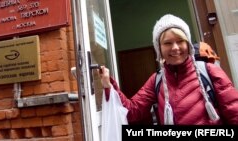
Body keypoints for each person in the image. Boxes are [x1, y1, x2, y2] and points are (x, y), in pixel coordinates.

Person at [99, 14, 238, 125]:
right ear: (159, 49)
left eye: (180, 41)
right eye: (167, 43)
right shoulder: (156, 80)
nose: (175, 48)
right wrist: (109, 86)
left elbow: (235, 114)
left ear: (188, 44)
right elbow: (131, 112)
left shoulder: (210, 71)